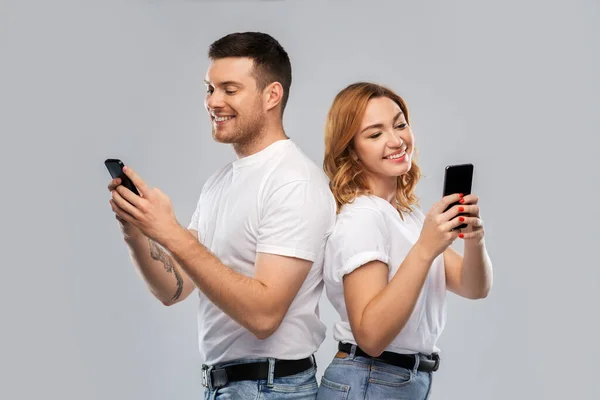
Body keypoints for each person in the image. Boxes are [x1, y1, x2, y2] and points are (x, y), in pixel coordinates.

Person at [107, 32, 336, 399]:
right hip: (229, 387)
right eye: (209, 89)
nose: (213, 101)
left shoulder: (294, 181)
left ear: (272, 96)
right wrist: (137, 230)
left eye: (230, 89)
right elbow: (175, 288)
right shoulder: (219, 184)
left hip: (272, 389)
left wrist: (171, 232)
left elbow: (264, 316)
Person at [316, 82, 493, 399]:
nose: (396, 140)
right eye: (375, 134)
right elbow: (370, 336)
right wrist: (425, 250)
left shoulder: (406, 217)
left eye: (400, 124)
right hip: (370, 378)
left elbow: (474, 287)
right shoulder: (362, 218)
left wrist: (474, 240)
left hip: (396, 381)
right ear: (351, 150)